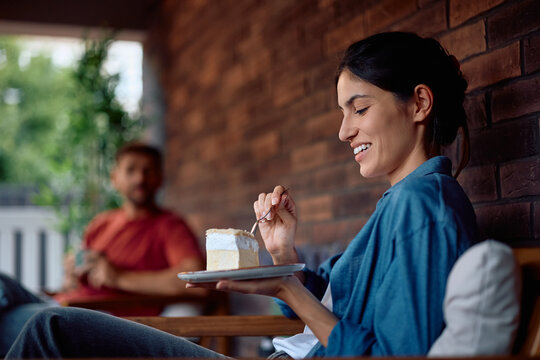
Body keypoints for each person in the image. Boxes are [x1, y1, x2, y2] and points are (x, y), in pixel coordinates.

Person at [5, 31, 478, 359]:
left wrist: (286, 285)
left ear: (418, 103)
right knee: (38, 322)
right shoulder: (401, 203)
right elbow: (334, 306)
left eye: (359, 109)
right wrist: (282, 255)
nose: (343, 131)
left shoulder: (424, 207)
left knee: (49, 328)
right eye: (342, 113)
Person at [0, 142, 205, 356]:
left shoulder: (170, 226)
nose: (140, 179)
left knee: (19, 320)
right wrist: (72, 276)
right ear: (114, 178)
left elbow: (193, 280)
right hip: (61, 304)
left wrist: (119, 277)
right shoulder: (101, 223)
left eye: (148, 170)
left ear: (160, 179)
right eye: (131, 170)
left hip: (94, 319)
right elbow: (71, 283)